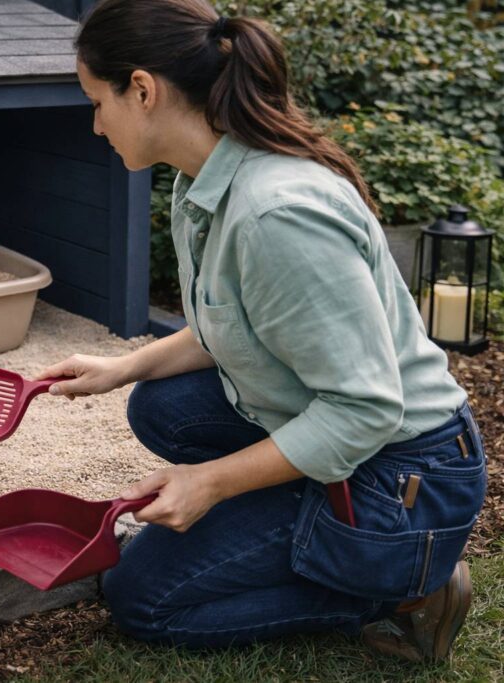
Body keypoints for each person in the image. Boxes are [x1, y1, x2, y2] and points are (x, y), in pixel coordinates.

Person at [35, 0, 488, 662]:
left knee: (144, 596)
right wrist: (122, 367)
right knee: (161, 405)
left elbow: (365, 410)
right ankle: (299, 507)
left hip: (405, 475)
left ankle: (407, 588)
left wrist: (211, 482)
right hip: (354, 437)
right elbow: (231, 326)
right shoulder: (208, 184)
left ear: (142, 90)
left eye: (97, 101)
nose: (96, 124)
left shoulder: (277, 215)